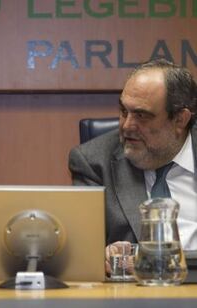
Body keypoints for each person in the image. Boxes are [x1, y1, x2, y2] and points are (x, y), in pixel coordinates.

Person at [68, 58, 197, 274]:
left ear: (180, 120)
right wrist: (105, 255)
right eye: (123, 111)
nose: (127, 126)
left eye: (141, 116)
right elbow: (81, 249)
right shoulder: (93, 162)